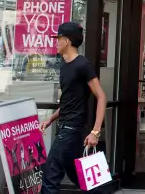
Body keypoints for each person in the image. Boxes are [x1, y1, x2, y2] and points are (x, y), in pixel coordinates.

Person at [39, 22, 107, 194]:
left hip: (72, 129)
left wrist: (95, 131)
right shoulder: (64, 66)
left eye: (58, 39)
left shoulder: (82, 65)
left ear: (67, 41)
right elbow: (68, 101)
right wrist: (50, 119)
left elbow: (101, 97)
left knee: (50, 175)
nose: (56, 43)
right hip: (67, 128)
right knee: (81, 177)